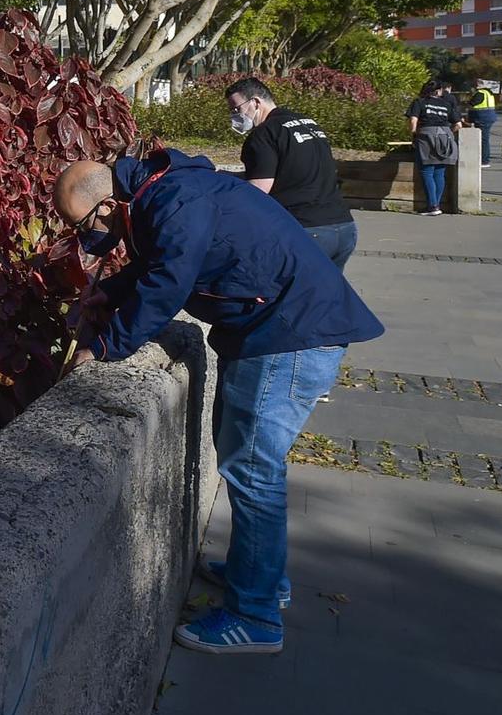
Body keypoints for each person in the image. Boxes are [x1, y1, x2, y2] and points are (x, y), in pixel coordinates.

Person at [55, 151, 383, 655]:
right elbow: (157, 261)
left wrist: (104, 348)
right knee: (243, 458)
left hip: (290, 337)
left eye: (84, 225)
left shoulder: (175, 201)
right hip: (275, 330)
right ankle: (262, 576)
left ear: (108, 203)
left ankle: (255, 617)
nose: (89, 238)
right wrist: (113, 293)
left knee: (253, 470)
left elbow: (168, 282)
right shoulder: (164, 192)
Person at [225, 78, 357, 268]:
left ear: (255, 102)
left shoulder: (263, 134)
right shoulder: (308, 123)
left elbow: (258, 190)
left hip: (306, 229)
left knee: (292, 294)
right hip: (344, 227)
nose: (234, 116)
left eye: (237, 109)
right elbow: (289, 171)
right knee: (327, 295)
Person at [406, 80, 461, 215]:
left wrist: (414, 134)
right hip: (445, 136)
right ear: (438, 91)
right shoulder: (446, 104)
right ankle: (435, 205)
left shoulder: (419, 102)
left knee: (426, 171)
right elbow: (458, 124)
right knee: (439, 172)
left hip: (426, 135)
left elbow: (413, 120)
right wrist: (448, 133)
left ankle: (432, 206)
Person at [466, 85, 499, 167]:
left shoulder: (480, 94)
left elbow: (472, 103)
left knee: (483, 140)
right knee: (484, 139)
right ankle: (484, 159)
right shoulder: (488, 93)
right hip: (488, 117)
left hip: (482, 118)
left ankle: (484, 161)